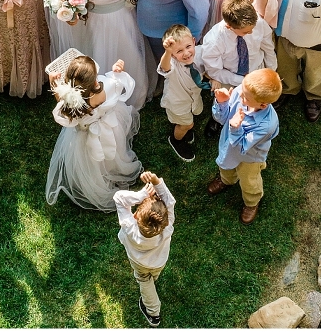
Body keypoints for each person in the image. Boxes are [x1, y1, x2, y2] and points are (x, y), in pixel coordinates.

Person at [46, 55, 142, 211]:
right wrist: (118, 71)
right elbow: (120, 82)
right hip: (109, 127)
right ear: (96, 81)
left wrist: (54, 84)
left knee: (93, 161)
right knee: (114, 152)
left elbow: (61, 104)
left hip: (86, 135)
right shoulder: (106, 87)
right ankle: (115, 171)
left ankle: (100, 181)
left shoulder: (70, 103)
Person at [206, 67, 282, 224]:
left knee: (249, 181)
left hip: (250, 157)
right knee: (226, 167)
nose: (239, 95)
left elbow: (242, 147)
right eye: (242, 88)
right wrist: (222, 103)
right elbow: (222, 118)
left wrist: (235, 127)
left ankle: (251, 202)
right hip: (229, 146)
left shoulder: (267, 125)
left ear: (262, 105)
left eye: (245, 97)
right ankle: (226, 180)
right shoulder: (244, 90)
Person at [114, 171, 176, 329]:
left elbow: (119, 198)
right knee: (152, 276)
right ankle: (153, 279)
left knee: (144, 280)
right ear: (166, 219)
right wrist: (157, 182)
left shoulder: (130, 227)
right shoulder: (167, 227)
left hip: (138, 262)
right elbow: (170, 201)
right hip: (159, 262)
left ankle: (153, 312)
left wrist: (140, 196)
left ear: (136, 216)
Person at [199, 0, 277, 92]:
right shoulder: (213, 41)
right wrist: (243, 81)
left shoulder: (259, 23)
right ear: (229, 26)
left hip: (256, 69)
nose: (251, 32)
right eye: (245, 32)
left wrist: (271, 72)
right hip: (229, 77)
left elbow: (268, 49)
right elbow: (215, 72)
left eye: (252, 28)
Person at [157, 25, 206, 162]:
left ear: (194, 41)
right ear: (172, 55)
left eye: (188, 46)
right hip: (177, 102)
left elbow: (208, 67)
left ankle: (185, 129)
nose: (186, 53)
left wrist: (213, 78)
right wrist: (167, 52)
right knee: (187, 124)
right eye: (179, 51)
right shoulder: (171, 63)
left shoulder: (200, 53)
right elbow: (164, 67)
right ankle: (176, 140)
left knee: (194, 113)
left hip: (194, 98)